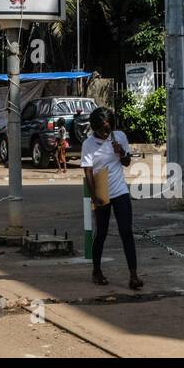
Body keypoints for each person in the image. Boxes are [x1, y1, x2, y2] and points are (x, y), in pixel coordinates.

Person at [81, 107, 142, 290]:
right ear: (95, 128)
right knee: (102, 232)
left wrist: (121, 152)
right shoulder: (88, 144)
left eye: (109, 129)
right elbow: (88, 172)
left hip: (120, 190)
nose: (106, 133)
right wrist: (95, 197)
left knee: (126, 231)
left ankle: (133, 275)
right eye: (103, 130)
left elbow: (126, 162)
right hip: (102, 192)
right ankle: (96, 271)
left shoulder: (119, 137)